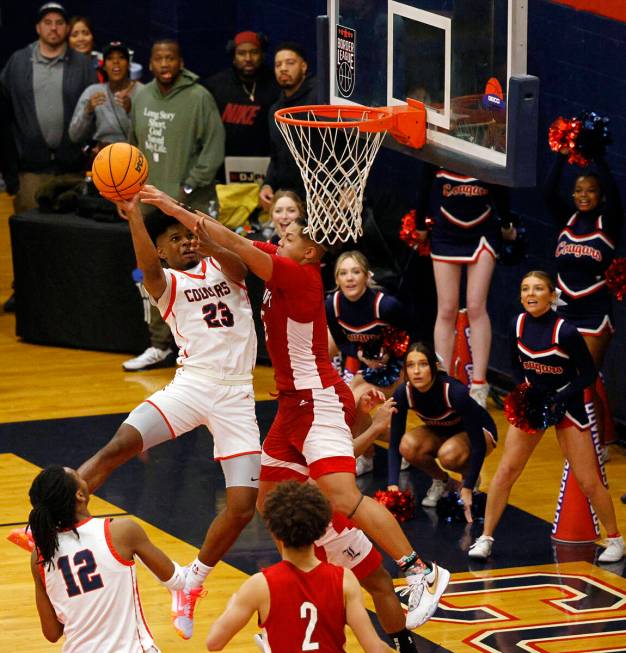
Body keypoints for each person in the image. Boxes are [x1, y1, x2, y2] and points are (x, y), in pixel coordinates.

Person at [139, 185, 451, 631]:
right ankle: (331, 542)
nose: (280, 235)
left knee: (344, 494)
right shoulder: (287, 260)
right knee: (268, 499)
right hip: (291, 406)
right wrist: (193, 233)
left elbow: (239, 245)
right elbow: (226, 240)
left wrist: (170, 206)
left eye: (289, 237)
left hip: (317, 398)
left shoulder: (296, 273)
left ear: (310, 250)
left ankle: (420, 570)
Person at [77, 194, 260, 641]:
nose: (184, 243)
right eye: (173, 240)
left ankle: (191, 580)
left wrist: (207, 237)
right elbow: (149, 268)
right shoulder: (166, 284)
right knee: (117, 447)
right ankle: (52, 523)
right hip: (193, 384)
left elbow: (240, 266)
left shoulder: (224, 267)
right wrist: (135, 216)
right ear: (161, 249)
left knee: (241, 507)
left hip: (237, 394)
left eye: (186, 237)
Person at [469, 271, 623, 562]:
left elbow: (588, 374)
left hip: (567, 405)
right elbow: (517, 365)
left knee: (588, 479)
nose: (531, 293)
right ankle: (485, 538)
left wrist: (559, 398)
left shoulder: (565, 331)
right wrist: (526, 392)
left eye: (538, 288)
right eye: (525, 288)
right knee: (505, 472)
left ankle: (615, 539)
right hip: (534, 404)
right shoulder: (517, 323)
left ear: (552, 296)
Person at [124, 38, 225, 372]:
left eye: (171, 58)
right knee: (148, 275)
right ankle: (158, 345)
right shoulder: (141, 96)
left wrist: (185, 187)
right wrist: (129, 191)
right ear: (150, 63)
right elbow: (132, 148)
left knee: (202, 280)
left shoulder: (199, 97)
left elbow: (213, 149)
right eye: (159, 58)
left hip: (189, 207)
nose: (165, 64)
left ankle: (203, 349)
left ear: (180, 62)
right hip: (151, 208)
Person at [205, 481, 388, 652]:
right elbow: (374, 648)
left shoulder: (259, 585)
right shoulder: (345, 579)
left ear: (273, 528)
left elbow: (214, 643)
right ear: (323, 527)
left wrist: (231, 607)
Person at [29, 465, 187, 652]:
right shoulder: (120, 531)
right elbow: (177, 580)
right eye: (78, 476)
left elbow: (52, 632)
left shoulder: (39, 555)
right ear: (80, 495)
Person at [414, 163, 517, 407]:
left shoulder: (487, 153)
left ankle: (479, 384)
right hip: (445, 233)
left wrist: (506, 224)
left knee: (475, 306)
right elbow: (424, 187)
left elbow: (501, 188)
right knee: (447, 308)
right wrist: (419, 224)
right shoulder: (438, 154)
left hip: (482, 232)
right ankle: (442, 382)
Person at [543, 149, 623, 460]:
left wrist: (599, 158)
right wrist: (563, 155)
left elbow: (615, 193)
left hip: (595, 314)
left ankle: (599, 445)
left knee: (585, 378)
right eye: (578, 190)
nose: (583, 195)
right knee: (569, 377)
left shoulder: (609, 220)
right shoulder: (569, 218)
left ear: (600, 194)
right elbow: (549, 190)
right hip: (565, 310)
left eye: (590, 190)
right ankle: (588, 436)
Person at [0, 2, 97, 213]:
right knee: (32, 238)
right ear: (38, 28)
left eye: (59, 23)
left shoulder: (82, 65)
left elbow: (95, 115)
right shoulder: (18, 62)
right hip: (30, 172)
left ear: (66, 28)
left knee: (72, 236)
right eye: (48, 22)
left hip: (72, 170)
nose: (53, 28)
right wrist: (10, 172)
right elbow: (4, 117)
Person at [388, 342, 497, 517]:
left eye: (423, 364)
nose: (416, 371)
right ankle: (442, 480)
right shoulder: (403, 393)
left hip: (480, 433)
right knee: (407, 445)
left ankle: (470, 476)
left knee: (449, 454)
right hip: (442, 431)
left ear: (435, 367)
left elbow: (478, 445)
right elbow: (394, 444)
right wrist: (392, 485)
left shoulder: (454, 392)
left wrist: (468, 487)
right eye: (410, 365)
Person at [326, 251, 408, 476]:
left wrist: (391, 356)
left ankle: (398, 449)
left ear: (366, 276)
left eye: (355, 272)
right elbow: (342, 342)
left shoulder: (386, 305)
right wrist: (360, 354)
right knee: (349, 406)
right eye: (343, 273)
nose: (350, 278)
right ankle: (369, 454)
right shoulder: (332, 305)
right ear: (337, 280)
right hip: (369, 367)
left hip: (399, 366)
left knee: (355, 403)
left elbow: (413, 337)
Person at [201, 31, 279, 161]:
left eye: (254, 52)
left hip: (267, 163)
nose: (248, 58)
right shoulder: (215, 86)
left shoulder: (276, 85)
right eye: (241, 53)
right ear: (233, 57)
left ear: (262, 55)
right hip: (224, 165)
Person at [259, 42, 318, 210]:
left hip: (326, 197)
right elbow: (276, 156)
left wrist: (349, 185)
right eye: (278, 64)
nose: (283, 68)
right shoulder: (276, 110)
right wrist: (268, 184)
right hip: (292, 199)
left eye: (290, 63)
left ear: (304, 66)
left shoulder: (320, 97)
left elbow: (349, 141)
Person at [69, 42, 141, 150]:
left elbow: (149, 135)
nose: (116, 62)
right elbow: (74, 136)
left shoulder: (143, 92)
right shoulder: (92, 92)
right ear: (104, 66)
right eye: (110, 58)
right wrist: (87, 111)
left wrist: (130, 111)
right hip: (103, 156)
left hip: (133, 154)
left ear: (128, 64)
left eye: (121, 58)